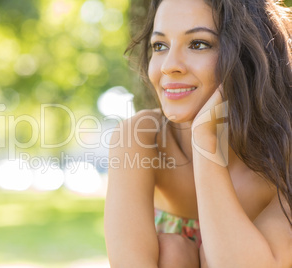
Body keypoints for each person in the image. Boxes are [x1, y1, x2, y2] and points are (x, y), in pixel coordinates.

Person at [104, 0, 292, 267]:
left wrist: (205, 138)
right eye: (160, 46)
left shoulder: (284, 152)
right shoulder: (140, 138)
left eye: (198, 44)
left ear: (246, 54)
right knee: (172, 249)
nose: (169, 65)